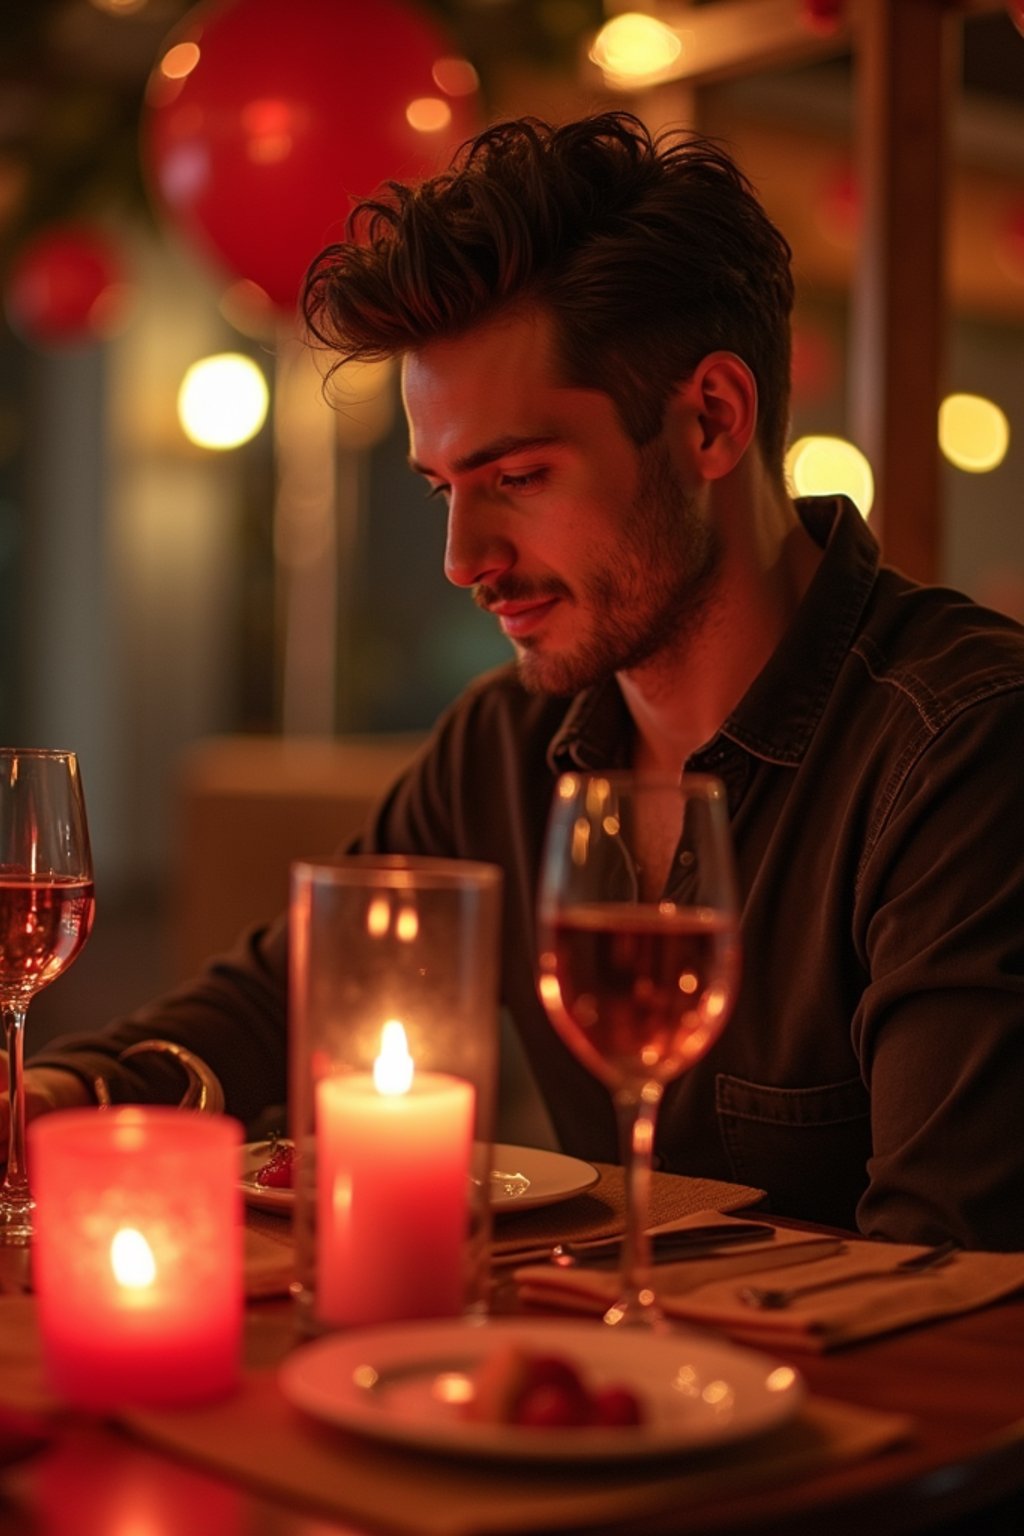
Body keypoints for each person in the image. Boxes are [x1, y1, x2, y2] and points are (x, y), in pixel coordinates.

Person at [4, 113, 1023, 1249]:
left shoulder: (962, 748)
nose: (461, 560)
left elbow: (951, 1277)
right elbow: (273, 1005)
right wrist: (59, 1097)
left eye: (519, 475)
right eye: (443, 487)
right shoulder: (503, 745)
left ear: (712, 421)